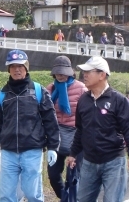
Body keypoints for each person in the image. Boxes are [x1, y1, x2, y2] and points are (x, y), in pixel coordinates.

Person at [0, 49, 60, 202]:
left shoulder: (39, 91)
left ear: (26, 68)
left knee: (33, 195)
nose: (16, 69)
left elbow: (50, 121)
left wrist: (53, 147)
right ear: (8, 69)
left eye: (20, 66)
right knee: (6, 196)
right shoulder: (1, 95)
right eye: (13, 66)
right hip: (8, 152)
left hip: (32, 151)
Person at [66, 56, 129, 202]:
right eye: (83, 72)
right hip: (89, 161)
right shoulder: (83, 100)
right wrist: (73, 153)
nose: (84, 75)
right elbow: (80, 129)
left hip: (113, 161)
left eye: (88, 72)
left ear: (102, 74)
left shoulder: (118, 100)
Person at [45, 56, 87, 200]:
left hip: (75, 137)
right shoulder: (50, 89)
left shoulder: (81, 89)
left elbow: (88, 114)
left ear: (70, 72)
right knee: (53, 174)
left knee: (73, 176)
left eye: (63, 72)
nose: (60, 75)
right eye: (58, 72)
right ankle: (65, 198)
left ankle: (73, 199)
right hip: (56, 137)